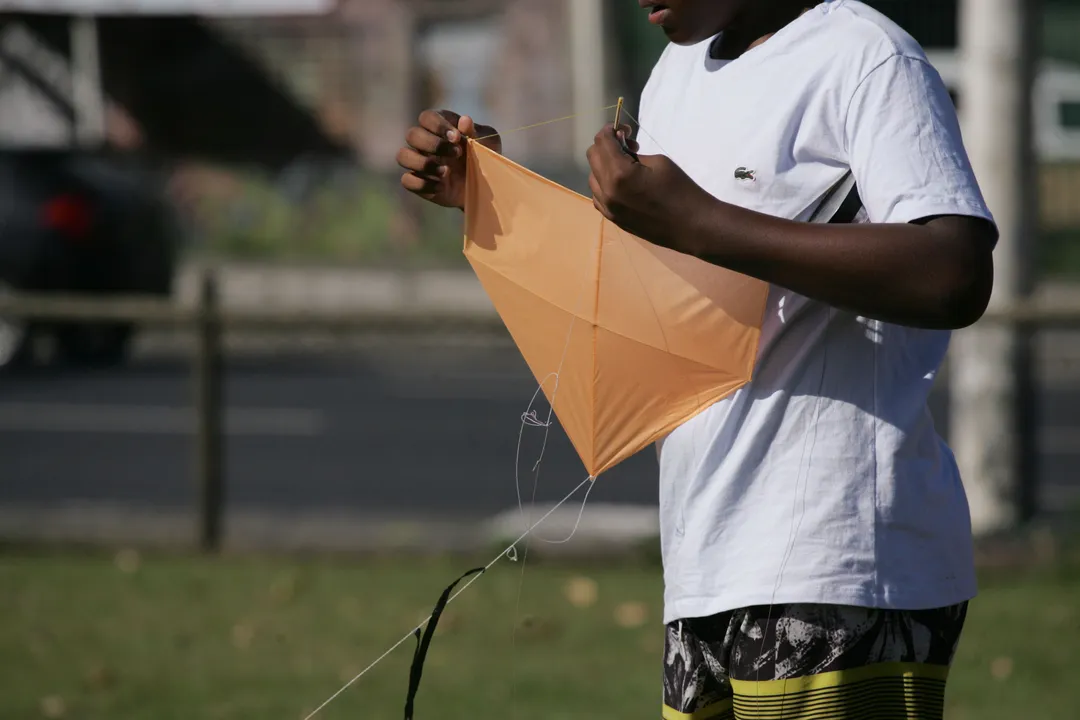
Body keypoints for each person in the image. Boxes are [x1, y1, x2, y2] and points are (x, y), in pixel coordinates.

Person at [397, 1, 998, 718]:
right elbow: (655, 305)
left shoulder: (863, 56)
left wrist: (701, 222)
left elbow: (953, 271)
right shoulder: (676, 73)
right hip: (705, 566)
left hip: (835, 565)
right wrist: (488, 194)